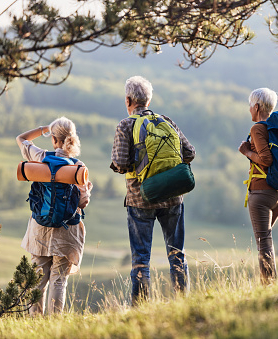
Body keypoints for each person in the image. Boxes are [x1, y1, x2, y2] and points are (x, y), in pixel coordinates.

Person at [110, 75, 195, 305]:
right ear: (148, 100)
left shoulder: (126, 125)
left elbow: (119, 162)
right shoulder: (166, 121)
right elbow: (189, 153)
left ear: (128, 100)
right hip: (173, 197)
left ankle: (141, 307)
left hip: (140, 199)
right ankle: (182, 303)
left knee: (140, 259)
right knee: (177, 254)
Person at [16, 117, 92, 315]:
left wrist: (43, 129)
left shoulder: (40, 157)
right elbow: (83, 202)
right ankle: (55, 326)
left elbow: (21, 138)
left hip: (39, 229)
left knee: (38, 280)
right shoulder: (78, 167)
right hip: (67, 231)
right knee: (59, 280)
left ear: (54, 139)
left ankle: (35, 326)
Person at [238, 88, 278, 285]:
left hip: (262, 192)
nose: (249, 109)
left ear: (257, 107)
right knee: (266, 238)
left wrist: (246, 152)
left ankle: (268, 285)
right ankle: (270, 283)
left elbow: (266, 160)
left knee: (263, 241)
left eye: (250, 105)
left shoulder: (258, 128)